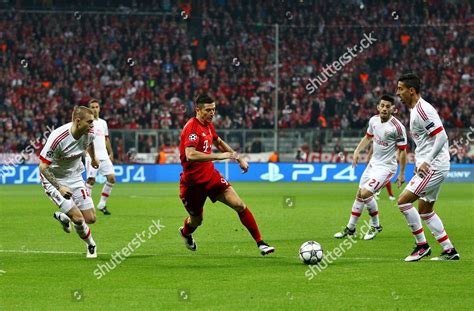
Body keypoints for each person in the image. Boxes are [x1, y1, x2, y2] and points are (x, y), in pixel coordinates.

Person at [178, 94, 274, 256]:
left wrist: (237, 157)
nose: (212, 113)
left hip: (211, 177)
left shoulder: (208, 125)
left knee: (239, 205)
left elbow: (219, 142)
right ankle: (186, 233)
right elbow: (191, 154)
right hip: (193, 185)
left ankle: (261, 243)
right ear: (198, 110)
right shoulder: (192, 128)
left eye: (214, 110)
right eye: (208, 110)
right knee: (197, 220)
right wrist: (218, 156)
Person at [396, 73, 459, 261]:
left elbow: (442, 136)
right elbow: (427, 141)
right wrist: (420, 160)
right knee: (425, 210)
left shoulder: (423, 110)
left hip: (435, 166)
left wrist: (427, 161)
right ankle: (449, 250)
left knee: (403, 202)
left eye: (400, 89)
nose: (398, 93)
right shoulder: (415, 110)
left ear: (411, 90)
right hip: (434, 165)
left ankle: (422, 246)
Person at [334, 95, 407, 240]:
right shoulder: (373, 121)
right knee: (359, 194)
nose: (385, 108)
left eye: (388, 106)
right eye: (382, 106)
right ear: (378, 107)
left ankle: (376, 226)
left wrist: (402, 173)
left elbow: (403, 150)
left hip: (386, 167)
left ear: (393, 109)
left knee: (366, 193)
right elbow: (368, 138)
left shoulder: (397, 127)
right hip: (373, 164)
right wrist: (356, 151)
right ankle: (351, 228)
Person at [39, 106, 99, 258]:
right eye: (89, 122)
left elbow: (90, 143)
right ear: (78, 121)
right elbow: (43, 167)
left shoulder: (89, 132)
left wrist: (93, 158)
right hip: (54, 180)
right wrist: (59, 188)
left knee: (90, 218)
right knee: (78, 219)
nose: (92, 125)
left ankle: (64, 217)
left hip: (75, 176)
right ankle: (91, 245)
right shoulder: (58, 138)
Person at [84, 99, 115, 215]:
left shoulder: (103, 123)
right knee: (91, 180)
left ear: (99, 108)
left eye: (96, 107)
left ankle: (102, 204)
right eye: (92, 107)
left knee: (112, 178)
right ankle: (86, 207)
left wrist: (110, 152)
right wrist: (88, 154)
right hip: (92, 156)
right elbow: (84, 139)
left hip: (104, 155)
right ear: (89, 109)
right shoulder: (87, 122)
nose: (95, 109)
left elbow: (106, 138)